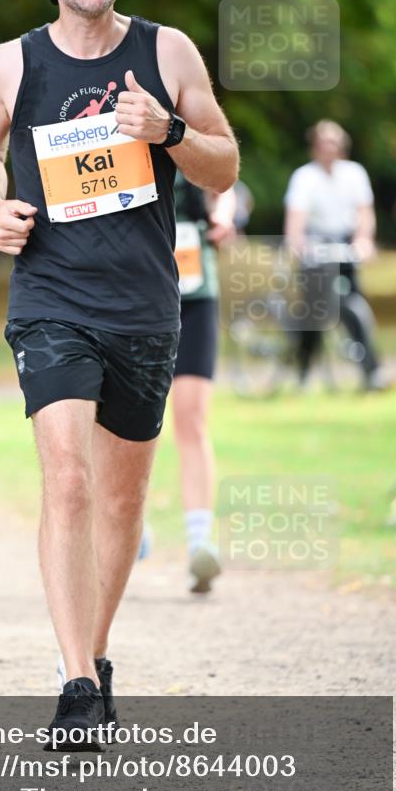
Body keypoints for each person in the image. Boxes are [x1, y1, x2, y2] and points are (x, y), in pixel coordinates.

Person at [0, 0, 238, 748]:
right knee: (68, 480)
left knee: (121, 501)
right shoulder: (12, 64)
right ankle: (76, 682)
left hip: (146, 306)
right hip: (50, 297)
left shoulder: (167, 52)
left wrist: (172, 127)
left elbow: (223, 168)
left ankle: (95, 656)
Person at [284, 119, 384, 390]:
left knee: (354, 306)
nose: (329, 148)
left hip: (343, 247)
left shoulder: (354, 174)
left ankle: (371, 372)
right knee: (313, 316)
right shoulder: (305, 177)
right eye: (324, 143)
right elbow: (296, 222)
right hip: (315, 247)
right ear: (315, 147)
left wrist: (364, 240)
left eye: (334, 143)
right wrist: (299, 245)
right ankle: (303, 372)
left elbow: (365, 213)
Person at [172, 173, 236, 593]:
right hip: (125, 293)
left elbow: (225, 178)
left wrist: (224, 214)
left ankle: (201, 545)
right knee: (119, 423)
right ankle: (124, 528)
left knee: (191, 420)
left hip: (194, 291)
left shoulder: (191, 115)